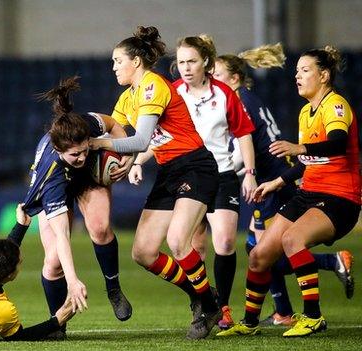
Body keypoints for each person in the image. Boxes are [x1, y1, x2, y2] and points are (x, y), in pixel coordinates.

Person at [217, 46, 360, 338]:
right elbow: (308, 162)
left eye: (305, 70)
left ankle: (312, 317)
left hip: (340, 198)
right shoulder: (307, 111)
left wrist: (299, 148)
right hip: (309, 193)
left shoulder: (336, 105)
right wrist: (277, 182)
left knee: (292, 239)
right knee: (259, 255)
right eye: (296, 71)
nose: (298, 76)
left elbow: (337, 144)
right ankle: (250, 323)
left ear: (324, 75)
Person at [89, 26, 221, 339]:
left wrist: (101, 147)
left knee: (178, 241)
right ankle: (199, 294)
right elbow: (118, 134)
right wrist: (125, 161)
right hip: (168, 171)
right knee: (143, 252)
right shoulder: (126, 98)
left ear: (136, 61)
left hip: (195, 166)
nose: (114, 67)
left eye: (118, 60)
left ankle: (208, 305)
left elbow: (142, 138)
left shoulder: (152, 84)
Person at [9, 76, 133, 339]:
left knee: (99, 229)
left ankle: (113, 288)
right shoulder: (50, 176)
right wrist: (73, 279)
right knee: (53, 262)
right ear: (58, 148)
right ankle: (58, 326)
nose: (81, 157)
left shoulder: (83, 126)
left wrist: (127, 157)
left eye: (84, 151)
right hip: (57, 190)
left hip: (89, 179)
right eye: (74, 154)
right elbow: (64, 234)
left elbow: (114, 124)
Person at [171, 34, 257, 329]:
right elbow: (155, 134)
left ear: (205, 62)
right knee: (194, 247)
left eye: (192, 61)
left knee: (224, 241)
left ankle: (223, 307)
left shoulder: (224, 93)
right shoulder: (172, 93)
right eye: (181, 62)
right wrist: (137, 162)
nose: (186, 67)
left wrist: (249, 172)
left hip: (222, 175)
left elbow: (244, 133)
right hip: (190, 177)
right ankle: (203, 304)